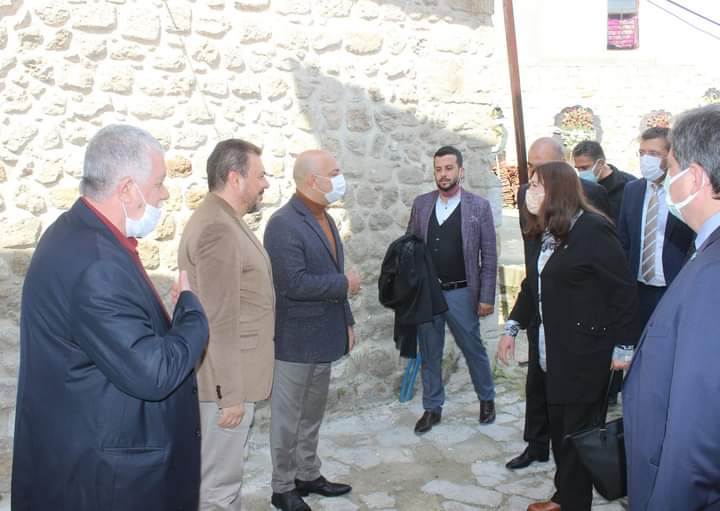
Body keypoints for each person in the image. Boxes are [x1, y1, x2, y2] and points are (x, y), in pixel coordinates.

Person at [11, 125, 210, 510]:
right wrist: (192, 313)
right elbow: (154, 373)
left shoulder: (73, 232)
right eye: (159, 183)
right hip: (109, 479)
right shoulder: (97, 265)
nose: (165, 194)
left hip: (85, 452)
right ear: (127, 189)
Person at [497, 161, 638, 511]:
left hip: (585, 355)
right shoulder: (547, 231)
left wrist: (624, 346)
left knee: (576, 437)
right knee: (561, 432)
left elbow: (622, 291)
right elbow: (533, 285)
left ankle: (573, 502)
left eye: (537, 185)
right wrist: (512, 327)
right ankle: (564, 496)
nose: (529, 192)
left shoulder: (593, 229)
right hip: (553, 353)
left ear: (558, 190)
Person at [624, 105, 720, 510]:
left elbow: (697, 426)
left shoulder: (712, 274)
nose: (667, 178)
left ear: (694, 177)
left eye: (673, 167)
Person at [178, 139, 274, 510]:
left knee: (223, 480)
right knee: (218, 488)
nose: (265, 183)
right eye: (260, 175)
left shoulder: (223, 219)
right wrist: (229, 395)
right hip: (225, 386)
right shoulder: (218, 228)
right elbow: (218, 320)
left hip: (232, 379)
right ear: (235, 178)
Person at [507, 136, 612, 471]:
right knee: (537, 384)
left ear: (561, 165)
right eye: (531, 167)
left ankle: (574, 467)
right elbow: (532, 248)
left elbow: (606, 266)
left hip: (573, 318)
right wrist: (521, 313)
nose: (533, 177)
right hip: (539, 299)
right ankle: (537, 445)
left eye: (541, 168)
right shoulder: (527, 194)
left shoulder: (591, 198)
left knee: (570, 401)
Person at [264, 150, 359, 511]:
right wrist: (344, 284)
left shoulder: (326, 218)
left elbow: (334, 272)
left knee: (312, 414)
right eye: (334, 172)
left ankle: (307, 474)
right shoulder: (283, 224)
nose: (340, 177)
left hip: (325, 336)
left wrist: (347, 321)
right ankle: (282, 487)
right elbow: (293, 284)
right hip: (295, 341)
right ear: (312, 180)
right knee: (287, 419)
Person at [406, 145, 498, 434]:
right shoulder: (422, 204)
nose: (443, 174)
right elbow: (410, 246)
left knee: (473, 348)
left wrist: (486, 297)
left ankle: (487, 399)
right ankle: (432, 408)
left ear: (460, 171)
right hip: (429, 295)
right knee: (430, 352)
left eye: (448, 168)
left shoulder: (478, 206)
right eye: (438, 169)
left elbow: (489, 256)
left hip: (462, 292)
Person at [617, 127, 694, 329]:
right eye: (642, 153)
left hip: (674, 286)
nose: (646, 159)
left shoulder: (684, 191)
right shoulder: (632, 190)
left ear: (670, 155)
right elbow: (624, 241)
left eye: (653, 153)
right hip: (638, 288)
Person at [572, 139, 635, 222]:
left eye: (584, 168)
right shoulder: (578, 186)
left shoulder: (629, 185)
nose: (581, 173)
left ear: (600, 163)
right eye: (578, 169)